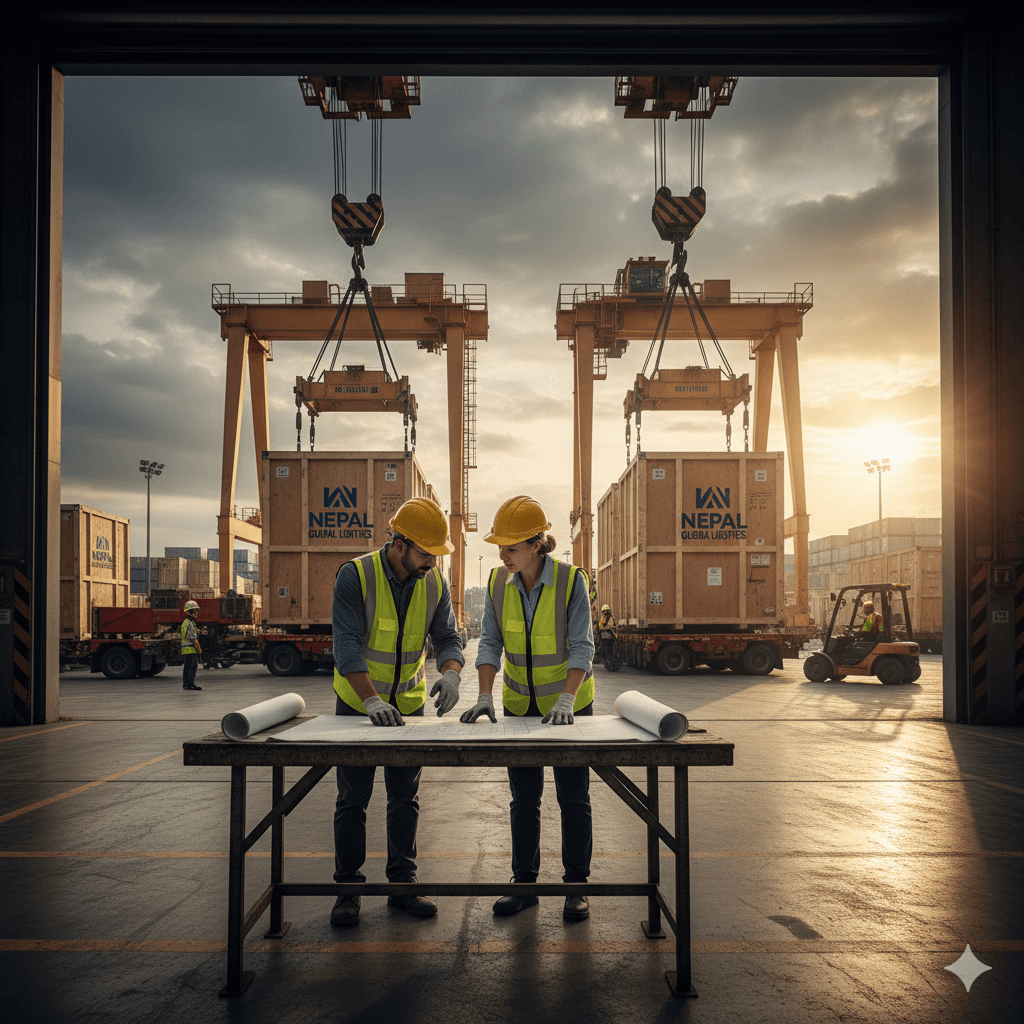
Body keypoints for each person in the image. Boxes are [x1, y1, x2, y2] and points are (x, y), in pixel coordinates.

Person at [329, 497, 465, 927]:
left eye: (435, 555)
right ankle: (348, 891)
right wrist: (369, 699)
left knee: (405, 799)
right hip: (356, 707)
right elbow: (347, 644)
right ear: (399, 544)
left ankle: (403, 885)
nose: (431, 563)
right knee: (353, 800)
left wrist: (451, 672)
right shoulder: (355, 576)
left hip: (407, 709)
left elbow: (446, 637)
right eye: (426, 554)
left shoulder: (433, 582)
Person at [461, 495, 596, 921]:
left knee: (573, 797)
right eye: (500, 547)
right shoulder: (499, 583)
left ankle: (576, 887)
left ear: (537, 544)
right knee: (524, 798)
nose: (503, 555)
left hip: (570, 708)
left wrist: (568, 699)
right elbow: (490, 642)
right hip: (520, 707)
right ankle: (524, 885)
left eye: (511, 547)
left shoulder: (572, 582)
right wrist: (484, 694)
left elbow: (582, 646)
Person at [180, 600, 202, 691]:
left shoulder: (186, 622)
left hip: (186, 649)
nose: (196, 613)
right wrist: (199, 649)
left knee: (187, 667)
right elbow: (194, 639)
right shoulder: (190, 624)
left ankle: (186, 684)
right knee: (192, 667)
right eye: (194, 611)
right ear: (189, 612)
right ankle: (190, 684)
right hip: (190, 649)